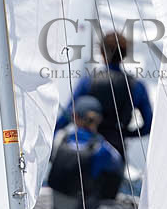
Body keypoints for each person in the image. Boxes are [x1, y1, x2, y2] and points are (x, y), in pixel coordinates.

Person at [55, 31, 153, 160]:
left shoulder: (88, 81)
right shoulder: (137, 87)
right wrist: (124, 134)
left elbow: (67, 116)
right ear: (124, 55)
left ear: (101, 53)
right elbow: (148, 126)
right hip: (115, 153)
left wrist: (53, 135)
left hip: (84, 150)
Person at [47, 95, 136, 209]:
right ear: (99, 120)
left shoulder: (59, 140)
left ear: (74, 117)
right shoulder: (102, 149)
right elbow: (118, 168)